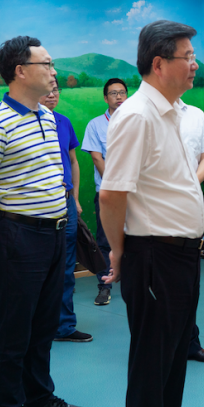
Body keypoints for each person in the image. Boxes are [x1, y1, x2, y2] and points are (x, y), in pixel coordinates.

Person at [100, 20, 204, 407]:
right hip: (153, 256)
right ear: (158, 63)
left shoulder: (174, 113)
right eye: (187, 57)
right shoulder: (137, 116)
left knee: (172, 362)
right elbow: (112, 194)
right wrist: (118, 251)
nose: (194, 65)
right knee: (151, 365)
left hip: (181, 254)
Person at [0, 35, 87, 407]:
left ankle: (38, 399)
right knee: (15, 330)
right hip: (19, 235)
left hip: (54, 233)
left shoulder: (48, 117)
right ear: (20, 71)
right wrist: (7, 222)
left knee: (44, 324)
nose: (53, 72)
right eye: (46, 64)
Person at [40, 84, 93, 343]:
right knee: (40, 266)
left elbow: (73, 160)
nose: (52, 94)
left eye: (56, 90)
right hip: (38, 205)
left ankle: (64, 326)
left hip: (67, 201)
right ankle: (38, 325)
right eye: (47, 90)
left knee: (66, 266)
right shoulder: (26, 122)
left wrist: (76, 197)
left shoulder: (64, 122)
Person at [177, 98, 204, 363]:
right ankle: (162, 347)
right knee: (158, 290)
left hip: (190, 209)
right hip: (153, 216)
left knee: (190, 285)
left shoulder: (195, 114)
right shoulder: (136, 112)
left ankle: (190, 343)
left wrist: (192, 183)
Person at [82, 77, 127, 305]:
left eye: (122, 92)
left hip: (134, 192)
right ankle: (104, 286)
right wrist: (114, 184)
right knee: (104, 240)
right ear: (105, 98)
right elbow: (97, 158)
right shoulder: (95, 125)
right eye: (113, 93)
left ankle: (137, 282)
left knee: (138, 237)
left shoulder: (136, 121)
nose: (118, 97)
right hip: (107, 192)